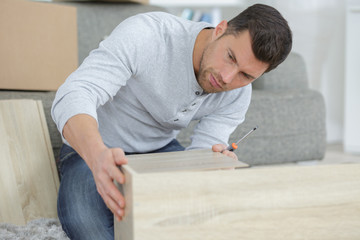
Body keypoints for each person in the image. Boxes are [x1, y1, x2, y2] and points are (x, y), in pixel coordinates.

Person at [51, 3, 292, 240]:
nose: (228, 78)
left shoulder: (239, 93)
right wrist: (96, 155)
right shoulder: (149, 34)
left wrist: (212, 164)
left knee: (204, 218)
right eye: (230, 57)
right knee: (86, 223)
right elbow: (76, 92)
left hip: (160, 152)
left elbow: (203, 151)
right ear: (220, 29)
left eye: (246, 75)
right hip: (94, 148)